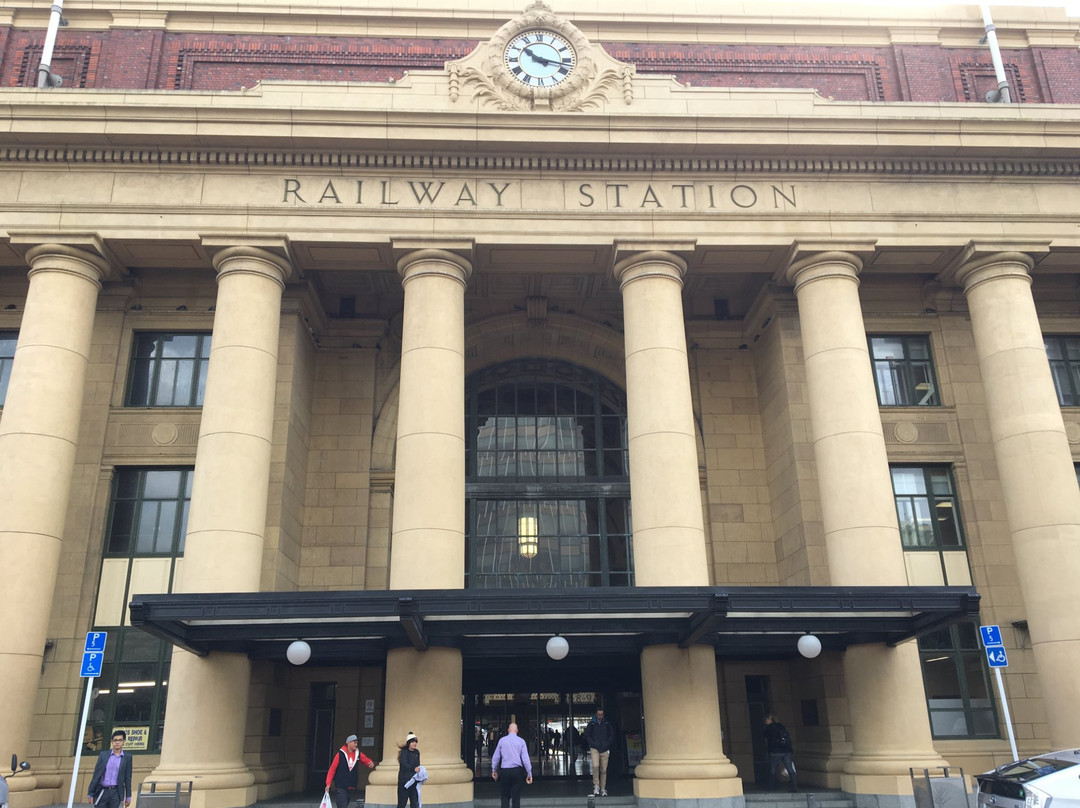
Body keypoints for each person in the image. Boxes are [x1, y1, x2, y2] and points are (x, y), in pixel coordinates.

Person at [325, 734, 375, 808]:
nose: (356, 744)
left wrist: (370, 762)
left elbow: (365, 760)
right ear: (349, 743)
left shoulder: (358, 754)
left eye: (357, 743)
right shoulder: (340, 755)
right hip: (340, 787)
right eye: (354, 742)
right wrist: (328, 784)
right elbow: (332, 769)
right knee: (343, 806)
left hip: (351, 787)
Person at [490, 722, 533, 808]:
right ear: (517, 731)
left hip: (505, 771)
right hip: (517, 771)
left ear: (508, 730)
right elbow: (525, 759)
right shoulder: (521, 741)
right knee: (516, 797)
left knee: (505, 796)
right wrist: (529, 773)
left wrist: (494, 770)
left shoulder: (502, 741)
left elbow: (496, 757)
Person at [87, 730, 133, 808]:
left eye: (120, 740)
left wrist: (128, 796)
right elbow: (96, 775)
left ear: (124, 741)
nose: (117, 742)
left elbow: (128, 778)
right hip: (102, 790)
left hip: (116, 792)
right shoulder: (104, 755)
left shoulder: (127, 757)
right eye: (115, 740)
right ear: (112, 741)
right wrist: (90, 793)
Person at [584, 708, 615, 797]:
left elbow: (611, 735)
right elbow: (587, 735)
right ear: (596, 714)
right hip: (594, 748)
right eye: (599, 714)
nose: (600, 716)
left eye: (601, 714)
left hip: (605, 748)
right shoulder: (592, 723)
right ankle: (596, 785)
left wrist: (607, 743)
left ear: (603, 714)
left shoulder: (607, 723)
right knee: (595, 765)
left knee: (604, 769)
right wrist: (592, 743)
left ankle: (603, 788)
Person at [764, 714, 798, 792]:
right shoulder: (780, 726)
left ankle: (771, 787)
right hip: (787, 750)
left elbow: (764, 735)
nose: (765, 721)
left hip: (776, 751)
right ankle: (794, 786)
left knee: (773, 769)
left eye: (766, 720)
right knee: (790, 768)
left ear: (770, 720)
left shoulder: (769, 728)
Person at [397, 733, 421, 808]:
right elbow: (404, 764)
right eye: (412, 742)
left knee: (414, 803)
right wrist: (413, 768)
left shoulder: (417, 752)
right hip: (404, 781)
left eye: (415, 742)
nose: (414, 744)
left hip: (414, 781)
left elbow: (418, 764)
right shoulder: (404, 752)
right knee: (402, 803)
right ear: (408, 743)